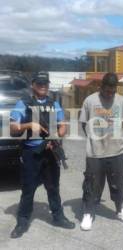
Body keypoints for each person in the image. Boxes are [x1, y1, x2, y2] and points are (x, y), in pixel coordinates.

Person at [9, 73, 75, 238]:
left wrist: (56, 137)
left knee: (53, 187)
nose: (43, 86)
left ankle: (58, 216)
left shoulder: (54, 104)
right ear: (33, 85)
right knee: (28, 189)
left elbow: (63, 126)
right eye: (39, 83)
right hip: (31, 153)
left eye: (45, 83)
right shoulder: (23, 103)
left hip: (50, 152)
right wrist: (29, 124)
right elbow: (12, 128)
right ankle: (22, 221)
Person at [79, 72, 123, 231]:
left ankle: (119, 209)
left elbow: (122, 123)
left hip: (116, 151)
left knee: (119, 183)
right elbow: (84, 124)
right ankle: (88, 213)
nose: (109, 94)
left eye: (112, 91)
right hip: (95, 152)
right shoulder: (90, 101)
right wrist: (96, 138)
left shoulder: (121, 101)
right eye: (107, 91)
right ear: (100, 87)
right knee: (92, 183)